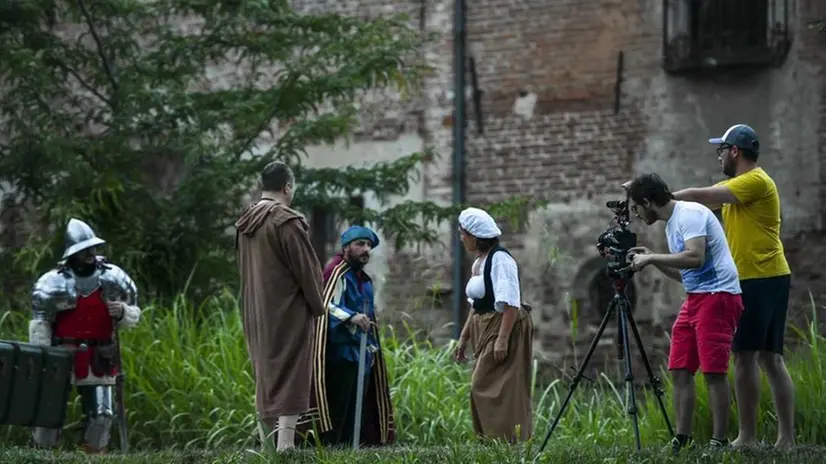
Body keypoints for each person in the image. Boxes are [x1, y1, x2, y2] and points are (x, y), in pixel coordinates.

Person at [670, 124, 795, 449]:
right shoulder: (741, 186)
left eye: (721, 150)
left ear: (734, 151)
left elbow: (699, 196)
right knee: (769, 359)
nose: (719, 157)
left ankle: (748, 438)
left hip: (756, 278)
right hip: (768, 276)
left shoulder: (753, 181)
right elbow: (701, 206)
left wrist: (663, 198)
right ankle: (784, 440)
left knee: (745, 356)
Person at [623, 173, 744, 453]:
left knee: (714, 372)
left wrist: (653, 257)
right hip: (696, 298)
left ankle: (718, 440)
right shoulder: (671, 224)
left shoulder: (689, 214)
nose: (637, 215)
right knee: (679, 368)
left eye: (636, 208)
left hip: (718, 296)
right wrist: (653, 260)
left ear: (647, 202)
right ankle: (683, 437)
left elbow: (695, 257)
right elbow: (686, 272)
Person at [28, 218, 142, 454]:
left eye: (92, 248)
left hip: (99, 355)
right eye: (84, 250)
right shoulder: (53, 282)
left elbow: (133, 310)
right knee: (48, 413)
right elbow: (41, 323)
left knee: (102, 415)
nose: (90, 253)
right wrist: (44, 356)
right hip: (61, 356)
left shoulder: (113, 277)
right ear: (73, 253)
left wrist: (121, 311)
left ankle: (91, 457)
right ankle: (41, 456)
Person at [234, 161, 326, 451]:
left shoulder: (246, 221)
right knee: (292, 373)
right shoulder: (284, 220)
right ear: (287, 188)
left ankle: (267, 445)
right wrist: (317, 306)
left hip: (255, 310)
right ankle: (285, 445)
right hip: (286, 309)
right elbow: (307, 271)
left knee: (267, 374)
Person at [298, 225, 396, 447]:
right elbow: (324, 304)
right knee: (338, 401)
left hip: (362, 350)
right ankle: (331, 446)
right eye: (360, 244)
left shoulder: (364, 278)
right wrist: (350, 317)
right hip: (339, 350)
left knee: (358, 402)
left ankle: (354, 444)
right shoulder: (335, 271)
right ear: (346, 248)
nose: (365, 249)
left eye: (369, 245)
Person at [453, 207, 534, 443]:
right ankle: (491, 441)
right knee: (483, 386)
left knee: (496, 387)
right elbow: (475, 304)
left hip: (505, 326)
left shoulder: (500, 260)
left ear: (474, 236)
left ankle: (510, 440)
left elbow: (510, 302)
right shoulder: (479, 263)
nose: (461, 238)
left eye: (463, 234)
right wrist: (463, 338)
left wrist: (502, 339)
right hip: (486, 325)